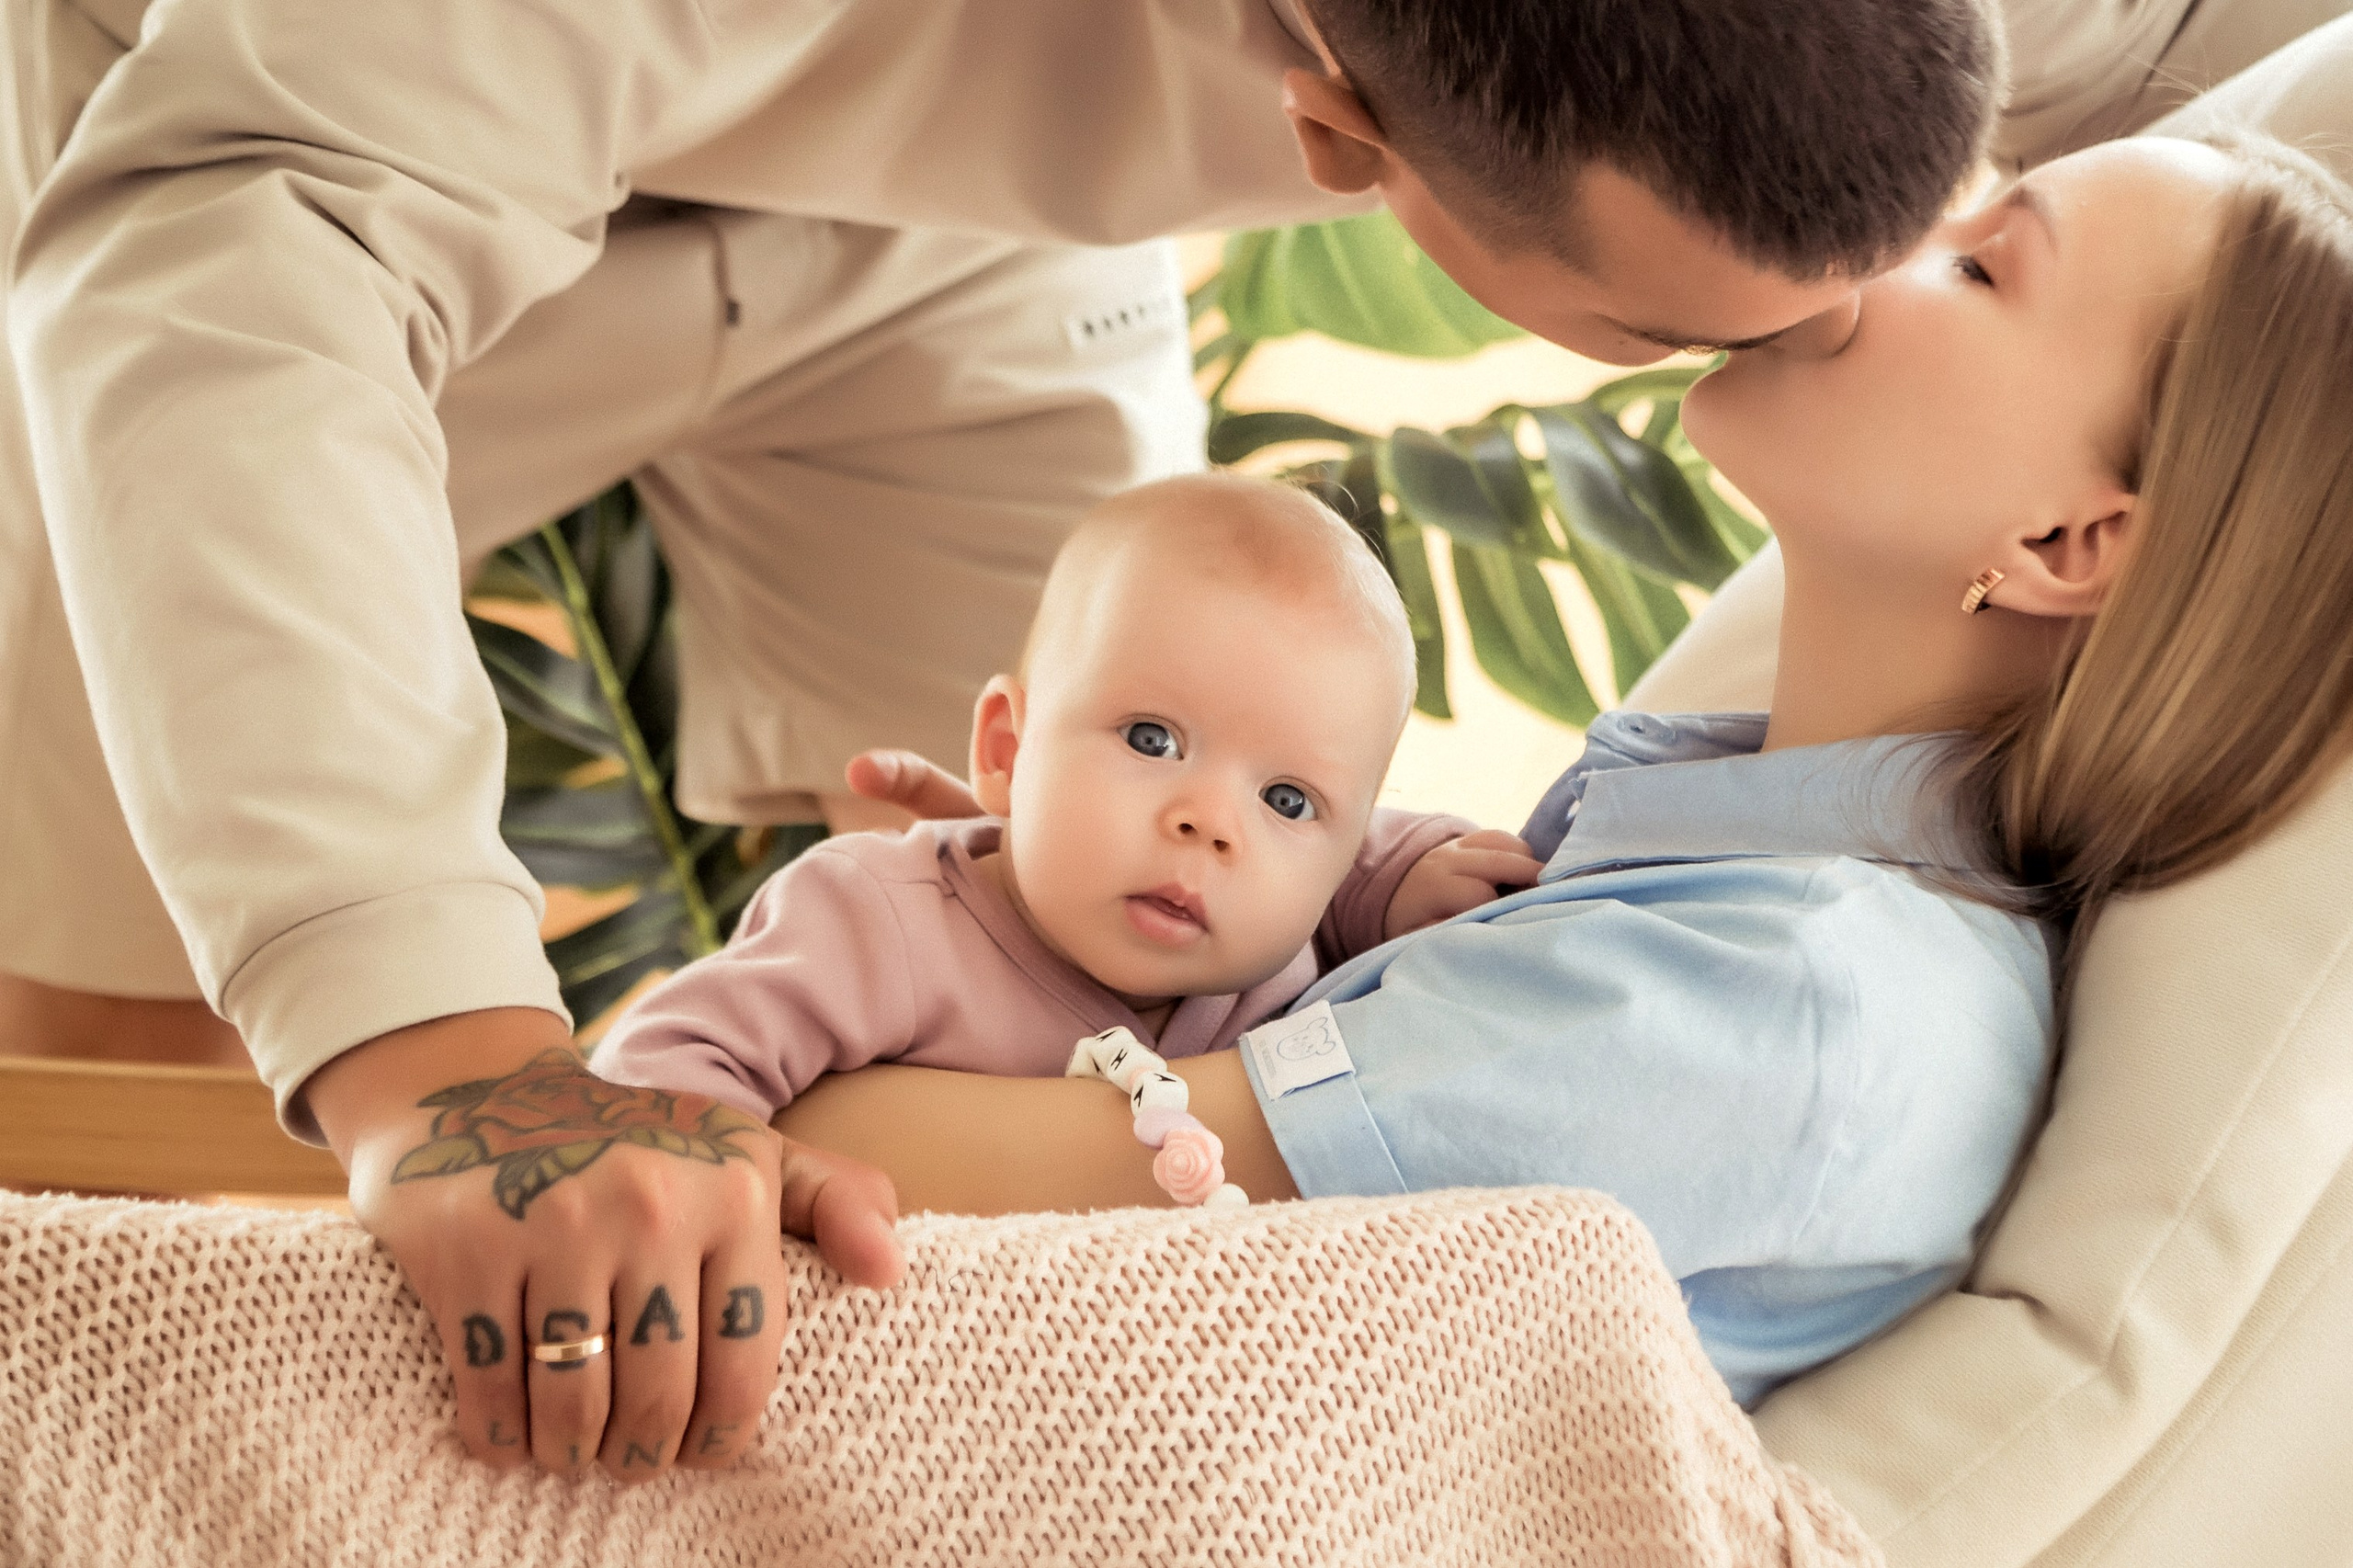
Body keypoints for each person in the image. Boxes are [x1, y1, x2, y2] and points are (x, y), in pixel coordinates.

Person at [0, 0, 2336, 1485]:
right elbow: (250, 203)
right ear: (1335, 135)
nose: (1864, 294)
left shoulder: (1796, 976)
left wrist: (975, 947)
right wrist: (455, 1065)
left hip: (960, 241)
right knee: (153, 1038)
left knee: (1049, 856)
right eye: (1679, 320)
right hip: (292, 172)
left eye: (1962, 235)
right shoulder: (1788, 940)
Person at [796, 132, 2353, 1409]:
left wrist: (879, 959)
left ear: (2068, 543)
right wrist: (1016, 935)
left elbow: (882, 1163)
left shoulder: (1789, 998)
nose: (1873, 227)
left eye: (1980, 258)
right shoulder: (1710, 868)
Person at [586, 474, 1537, 1125]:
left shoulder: (1291, 928)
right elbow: (659, 1067)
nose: (1211, 822)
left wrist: (1413, 875)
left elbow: (1364, 860)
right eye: (1151, 739)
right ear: (1005, 749)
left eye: (1286, 799)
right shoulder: (881, 922)